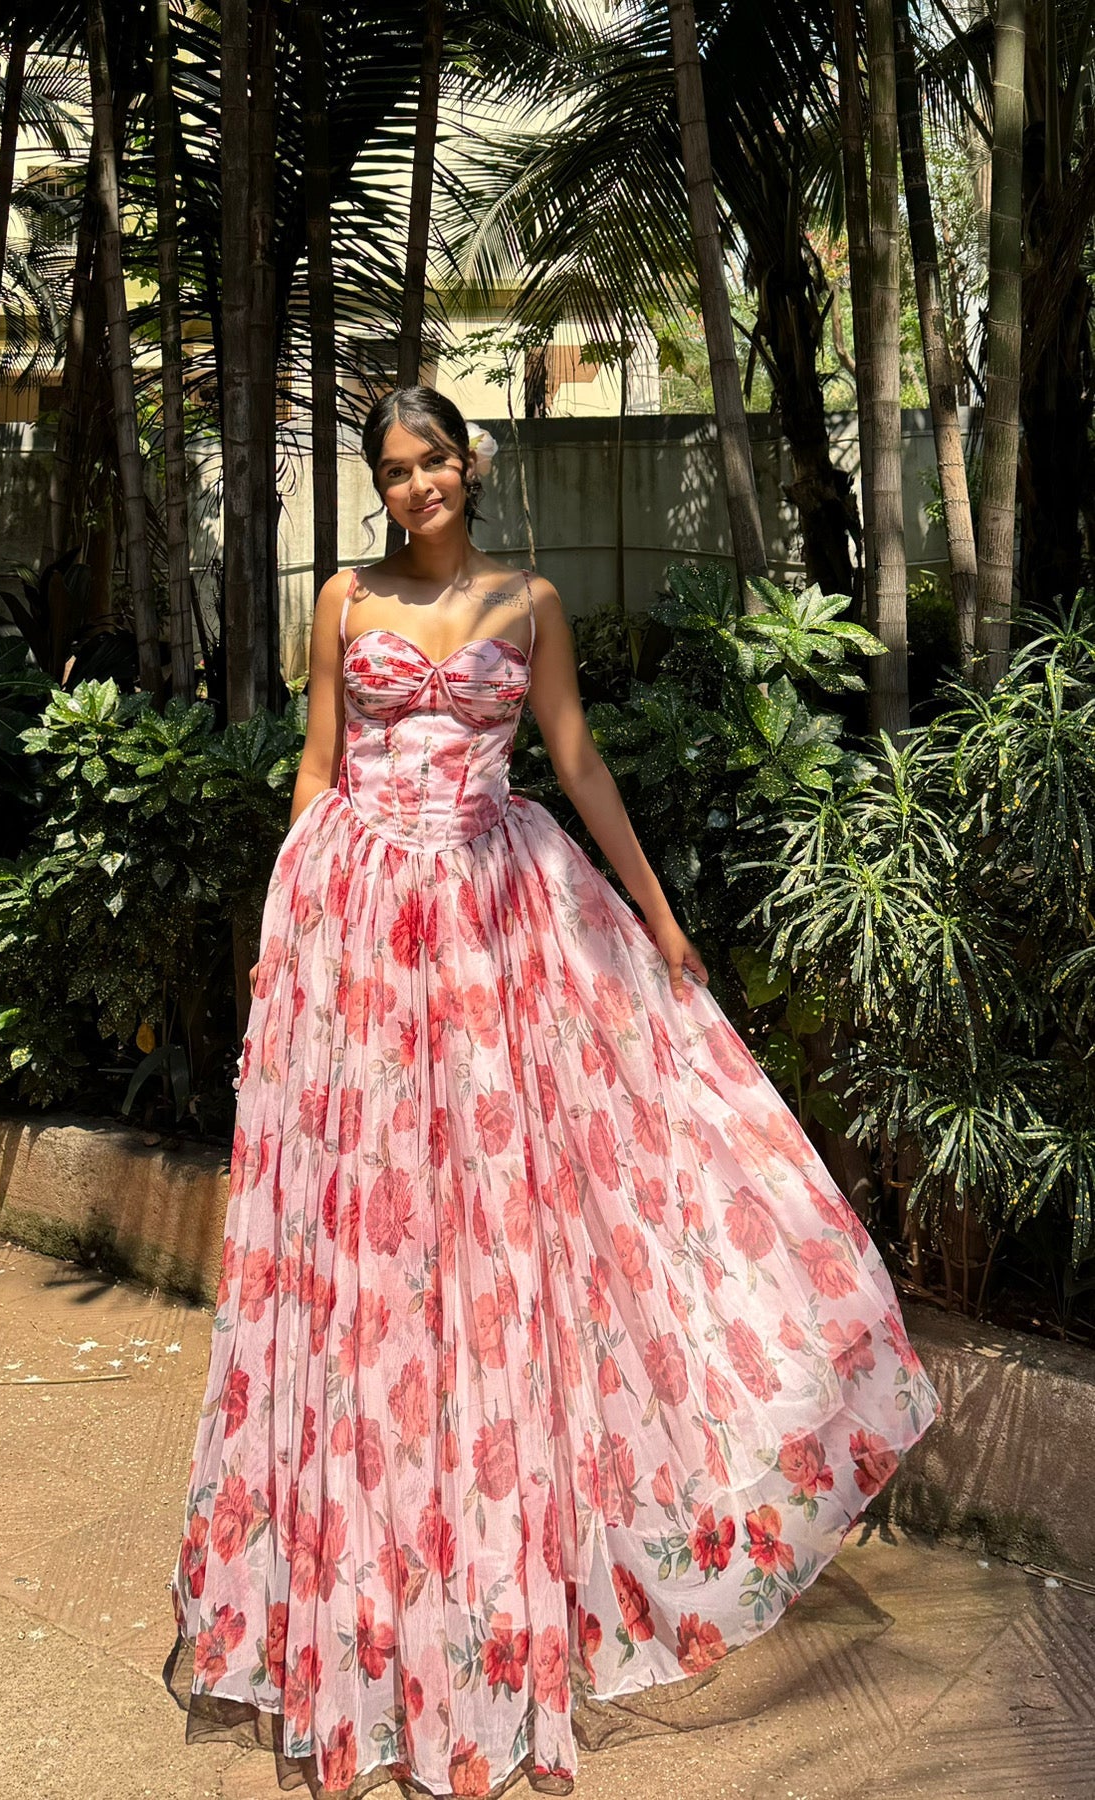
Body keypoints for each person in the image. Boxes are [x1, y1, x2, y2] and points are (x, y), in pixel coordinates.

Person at [167, 385, 941, 1800]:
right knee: (374, 1238)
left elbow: (572, 757)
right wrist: (288, 934)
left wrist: (653, 916)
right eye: (394, 472)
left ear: (470, 464)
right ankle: (370, 1560)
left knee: (508, 1218)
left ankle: (509, 1561)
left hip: (491, 925)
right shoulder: (341, 596)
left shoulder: (530, 601)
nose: (417, 488)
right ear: (378, 485)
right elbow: (320, 764)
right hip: (358, 926)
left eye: (434, 462)